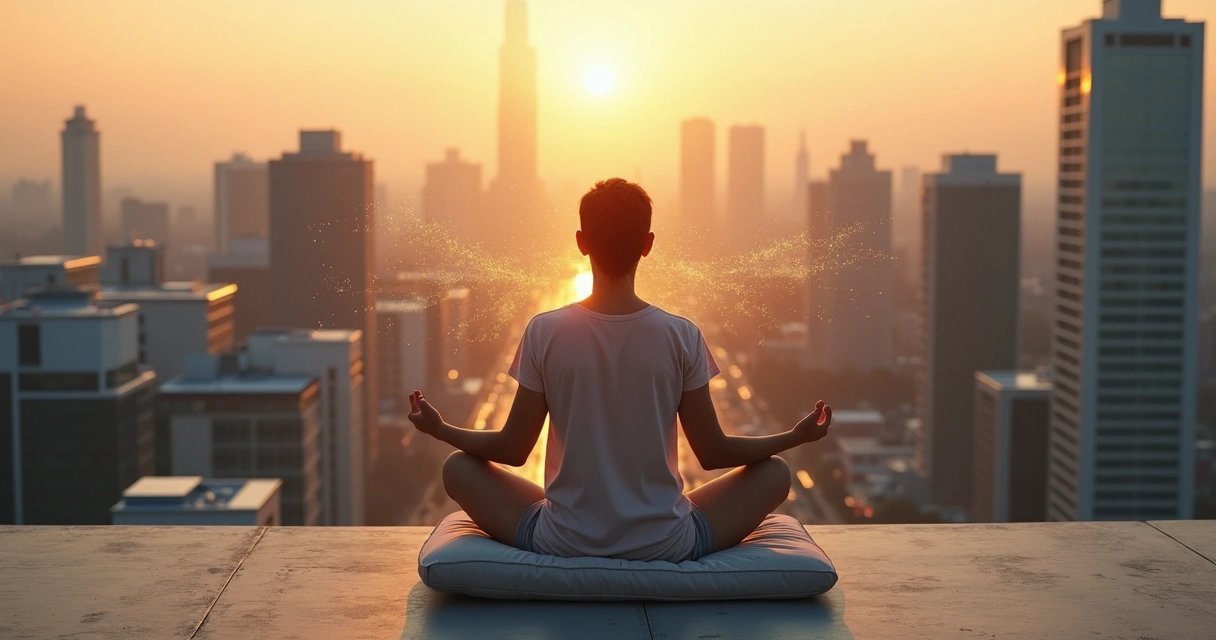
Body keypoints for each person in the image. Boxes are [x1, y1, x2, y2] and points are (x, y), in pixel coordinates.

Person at [408, 177, 832, 562]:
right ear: (648, 244)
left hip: (563, 540)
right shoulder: (681, 335)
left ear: (581, 241)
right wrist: (795, 436)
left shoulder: (545, 331)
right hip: (666, 544)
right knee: (776, 472)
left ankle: (575, 515)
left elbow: (514, 448)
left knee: (457, 468)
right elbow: (713, 452)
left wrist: (440, 428)